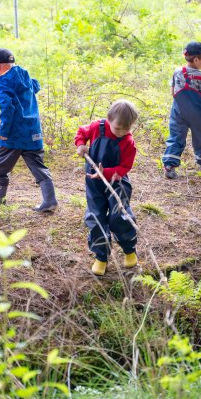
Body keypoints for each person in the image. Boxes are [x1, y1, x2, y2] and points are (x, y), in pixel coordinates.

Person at [0, 48, 58, 212]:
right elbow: (35, 85)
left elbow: (7, 109)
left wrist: (3, 132)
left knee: (0, 165)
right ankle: (50, 199)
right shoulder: (24, 74)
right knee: (38, 165)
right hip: (33, 131)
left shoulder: (2, 83)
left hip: (14, 134)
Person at [75, 100, 140, 276]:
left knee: (120, 215)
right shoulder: (98, 127)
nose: (121, 132)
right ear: (109, 119)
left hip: (117, 182)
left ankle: (129, 249)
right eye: (117, 128)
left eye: (126, 129)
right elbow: (81, 131)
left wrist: (108, 172)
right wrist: (81, 144)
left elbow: (126, 166)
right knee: (95, 216)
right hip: (94, 182)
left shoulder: (128, 141)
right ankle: (101, 257)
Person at [161, 41, 201, 179]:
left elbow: (173, 91)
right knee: (200, 136)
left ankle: (169, 166)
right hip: (196, 113)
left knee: (176, 137)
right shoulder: (200, 76)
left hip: (178, 110)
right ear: (196, 59)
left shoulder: (177, 71)